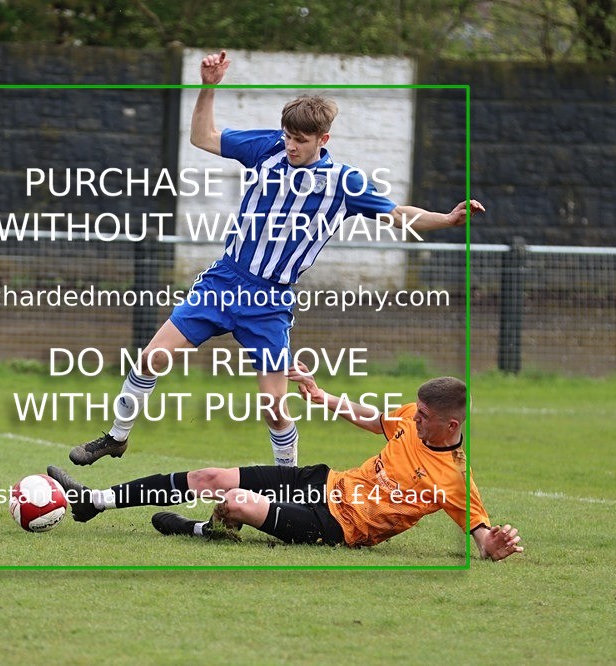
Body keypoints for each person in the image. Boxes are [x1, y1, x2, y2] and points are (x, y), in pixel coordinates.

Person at [69, 50, 486, 468]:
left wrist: (447, 219)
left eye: (300, 140)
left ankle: (288, 486)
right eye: (288, 136)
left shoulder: (343, 182)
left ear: (323, 140)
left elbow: (398, 215)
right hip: (223, 282)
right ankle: (117, 437)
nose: (290, 145)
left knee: (273, 404)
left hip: (269, 302)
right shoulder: (266, 148)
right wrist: (208, 86)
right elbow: (202, 136)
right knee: (151, 357)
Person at [50, 367, 523, 561]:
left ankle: (200, 530)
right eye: (415, 411)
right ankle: (94, 502)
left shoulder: (454, 479)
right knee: (209, 477)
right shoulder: (408, 418)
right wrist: (323, 397)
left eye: (424, 417)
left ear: (451, 425)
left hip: (339, 528)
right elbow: (376, 419)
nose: (413, 418)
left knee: (238, 502)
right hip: (324, 483)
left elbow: (480, 536)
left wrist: (493, 544)